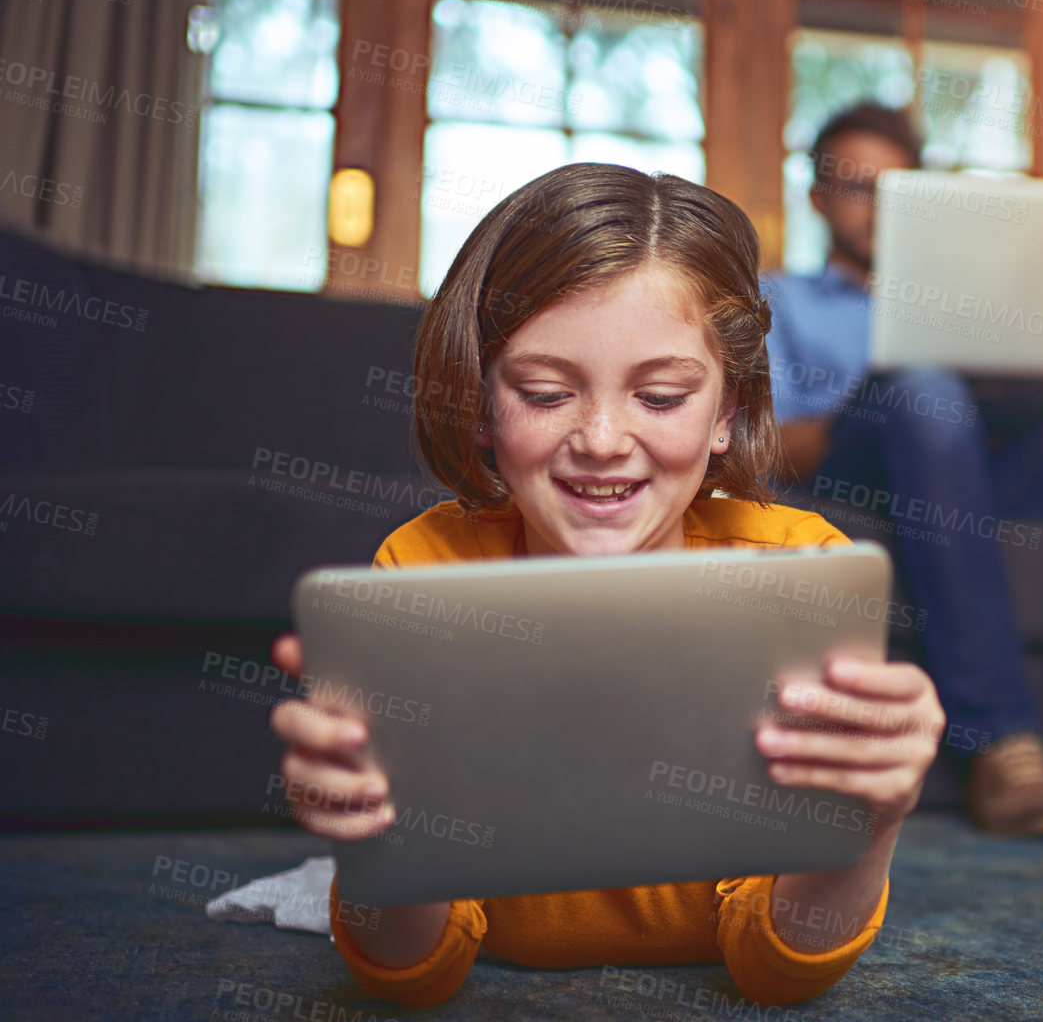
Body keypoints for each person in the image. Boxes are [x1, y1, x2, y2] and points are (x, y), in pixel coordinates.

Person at [267, 162, 945, 1008]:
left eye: (660, 396)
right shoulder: (423, 573)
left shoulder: (798, 571)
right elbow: (413, 971)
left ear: (727, 411)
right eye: (547, 393)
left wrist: (872, 823)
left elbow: (778, 971)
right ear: (480, 404)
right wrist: (370, 841)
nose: (600, 438)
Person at [765, 102, 1043, 839]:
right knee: (924, 391)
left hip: (981, 478)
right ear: (817, 197)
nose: (873, 206)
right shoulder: (785, 298)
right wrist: (889, 389)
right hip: (867, 469)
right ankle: (1003, 745)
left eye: (894, 189)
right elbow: (766, 443)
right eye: (854, 186)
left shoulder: (974, 293)